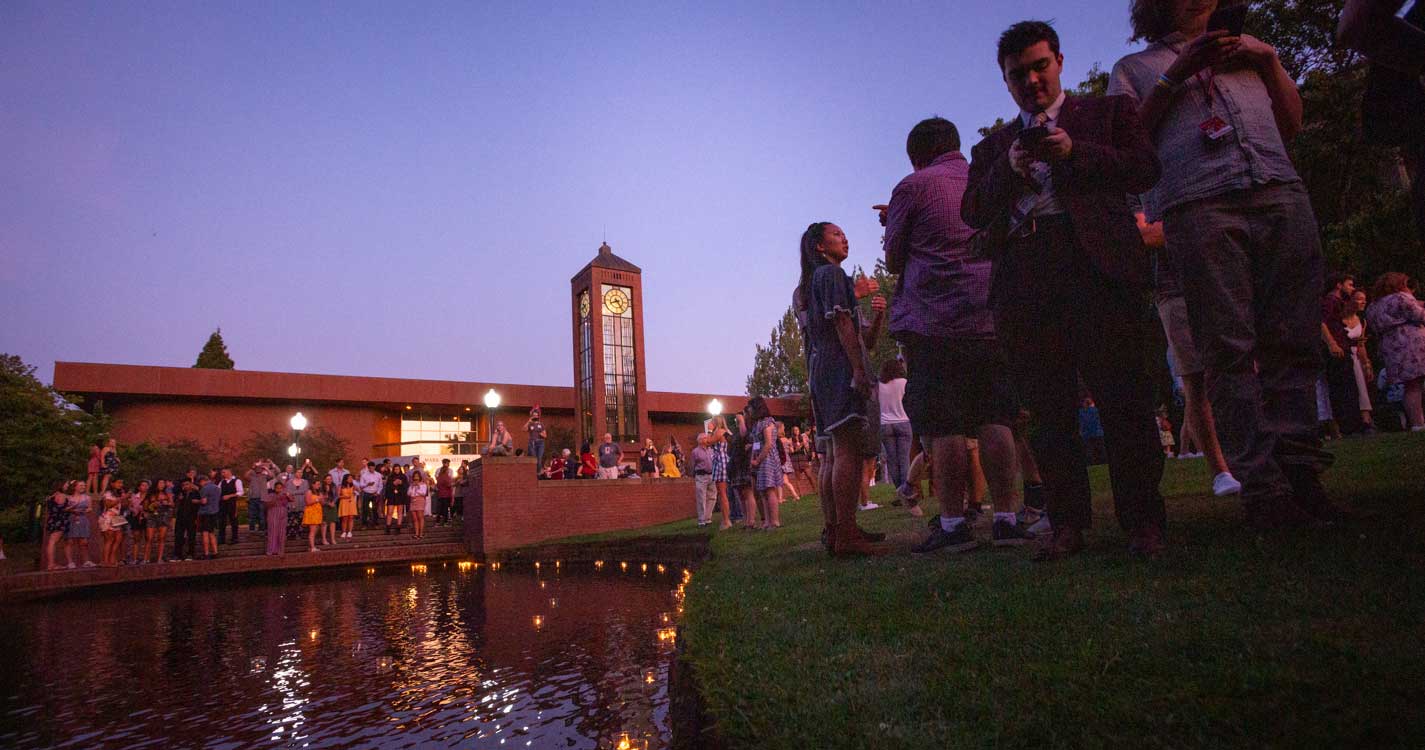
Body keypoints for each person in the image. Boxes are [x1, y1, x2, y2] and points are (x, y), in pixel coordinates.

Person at [1110, 1, 1335, 527]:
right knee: (1229, 348)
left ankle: (1303, 475)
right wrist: (1176, 75)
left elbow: (1293, 123)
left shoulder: (1250, 53)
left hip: (1277, 188)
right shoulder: (1134, 69)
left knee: (1294, 341)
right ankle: (1263, 486)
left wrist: (1270, 58)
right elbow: (1128, 146)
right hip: (1199, 204)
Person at [967, 20, 1166, 559]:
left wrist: (1075, 151)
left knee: (1124, 397)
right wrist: (1010, 170)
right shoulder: (992, 148)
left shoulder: (1106, 115)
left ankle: (1143, 521)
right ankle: (1067, 524)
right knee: (1049, 411)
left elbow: (1144, 168)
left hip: (1097, 267)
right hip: (1027, 275)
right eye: (1017, 75)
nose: (1031, 81)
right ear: (1004, 82)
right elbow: (972, 211)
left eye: (1039, 66)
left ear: (1059, 61)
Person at [1136, 202, 1242, 495]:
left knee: (1237, 367)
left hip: (1217, 279)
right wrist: (1196, 224)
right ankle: (1221, 471)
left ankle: (1248, 457)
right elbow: (1144, 234)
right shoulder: (1143, 192)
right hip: (1174, 289)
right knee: (1196, 380)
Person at [798, 222, 888, 555]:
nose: (845, 237)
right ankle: (847, 534)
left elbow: (862, 335)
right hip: (837, 370)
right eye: (836, 234)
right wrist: (859, 369)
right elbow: (841, 323)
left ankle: (840, 531)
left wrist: (876, 320)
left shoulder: (819, 281)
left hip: (825, 371)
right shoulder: (832, 276)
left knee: (839, 450)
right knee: (847, 449)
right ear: (820, 247)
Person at [1366, 272, 1425, 430]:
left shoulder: (1374, 305)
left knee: (1410, 386)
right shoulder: (1401, 298)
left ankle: (1417, 423)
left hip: (1391, 348)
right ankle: (1419, 423)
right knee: (1416, 385)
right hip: (1411, 345)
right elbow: (1420, 316)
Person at [1322, 274, 1364, 435]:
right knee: (1343, 388)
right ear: (1339, 285)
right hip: (1337, 348)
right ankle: (1348, 426)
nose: (1352, 288)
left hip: (1343, 346)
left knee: (1348, 387)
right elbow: (1322, 322)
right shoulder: (1330, 301)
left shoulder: (1339, 303)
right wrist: (1332, 343)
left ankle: (1352, 425)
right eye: (1350, 285)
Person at [748, 397, 785, 529]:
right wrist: (753, 459)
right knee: (762, 491)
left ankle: (774, 521)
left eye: (751, 407)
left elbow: (768, 444)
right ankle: (767, 521)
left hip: (768, 459)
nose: (749, 411)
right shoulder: (757, 424)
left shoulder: (767, 423)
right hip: (760, 459)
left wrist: (758, 460)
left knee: (770, 490)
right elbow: (756, 444)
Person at [1344, 288, 1377, 433]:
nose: (1363, 302)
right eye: (1359, 299)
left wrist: (1367, 364)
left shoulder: (1362, 321)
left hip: (1357, 355)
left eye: (1364, 299)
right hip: (1345, 355)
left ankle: (1366, 420)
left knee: (1362, 385)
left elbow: (1361, 344)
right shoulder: (1339, 319)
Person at [44, 481, 73, 570]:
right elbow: (63, 509)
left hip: (52, 520)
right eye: (66, 484)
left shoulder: (51, 497)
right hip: (60, 521)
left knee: (52, 541)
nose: (67, 486)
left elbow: (52, 509)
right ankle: (51, 564)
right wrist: (71, 508)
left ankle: (51, 563)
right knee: (52, 542)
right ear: (61, 485)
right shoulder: (63, 496)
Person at [689, 434, 716, 527]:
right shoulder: (695, 452)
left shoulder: (711, 450)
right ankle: (701, 520)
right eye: (705, 438)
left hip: (712, 475)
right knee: (701, 498)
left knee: (712, 497)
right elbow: (692, 464)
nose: (707, 439)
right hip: (701, 476)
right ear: (700, 440)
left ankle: (707, 517)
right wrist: (693, 475)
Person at [143, 480, 173, 564]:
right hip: (152, 515)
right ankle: (146, 558)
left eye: (163, 483)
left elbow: (172, 504)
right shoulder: (150, 494)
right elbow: (145, 507)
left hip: (164, 515)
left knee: (162, 538)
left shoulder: (167, 494)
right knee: (149, 538)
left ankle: (159, 558)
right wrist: (152, 505)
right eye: (160, 483)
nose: (162, 485)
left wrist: (167, 503)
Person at [173, 476, 199, 561]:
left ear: (191, 484)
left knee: (191, 536)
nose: (185, 486)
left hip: (192, 517)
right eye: (184, 485)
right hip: (181, 517)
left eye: (187, 484)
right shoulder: (181, 494)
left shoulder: (196, 493)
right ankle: (177, 554)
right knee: (178, 536)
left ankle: (191, 554)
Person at [196, 474, 222, 559]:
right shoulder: (217, 488)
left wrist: (197, 501)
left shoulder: (205, 488)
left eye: (200, 483)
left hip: (205, 513)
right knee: (212, 533)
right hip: (215, 512)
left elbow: (204, 501)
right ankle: (215, 552)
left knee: (205, 533)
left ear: (202, 481)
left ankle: (206, 553)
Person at [263, 481, 292, 555]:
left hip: (283, 515)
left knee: (282, 533)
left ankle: (281, 550)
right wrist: (276, 498)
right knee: (272, 532)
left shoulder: (285, 495)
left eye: (280, 488)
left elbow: (292, 500)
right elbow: (266, 505)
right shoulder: (270, 495)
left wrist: (288, 495)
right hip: (273, 514)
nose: (279, 490)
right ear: (274, 488)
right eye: (277, 488)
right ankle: (271, 550)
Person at [216, 468, 243, 546]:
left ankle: (235, 538)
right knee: (221, 521)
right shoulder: (222, 482)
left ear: (229, 472)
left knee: (233, 520)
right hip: (223, 503)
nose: (222, 474)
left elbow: (240, 492)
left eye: (223, 472)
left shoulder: (237, 481)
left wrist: (230, 496)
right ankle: (221, 538)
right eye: (222, 472)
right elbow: (218, 491)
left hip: (232, 503)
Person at [245, 461, 273, 534]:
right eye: (257, 468)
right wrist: (252, 468)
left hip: (262, 499)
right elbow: (245, 476)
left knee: (261, 515)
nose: (258, 469)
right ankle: (252, 530)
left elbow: (271, 476)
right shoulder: (252, 476)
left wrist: (265, 468)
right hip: (252, 498)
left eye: (260, 468)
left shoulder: (264, 476)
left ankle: (261, 530)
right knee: (251, 516)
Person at [98, 494, 125, 567]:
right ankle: (105, 561)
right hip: (108, 517)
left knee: (118, 539)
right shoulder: (108, 494)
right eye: (118, 482)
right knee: (109, 540)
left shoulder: (120, 493)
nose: (120, 485)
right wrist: (121, 498)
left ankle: (112, 557)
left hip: (117, 517)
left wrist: (126, 499)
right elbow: (108, 505)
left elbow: (124, 506)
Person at [357, 460, 383, 530]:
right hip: (366, 493)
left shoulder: (378, 475)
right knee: (365, 509)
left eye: (373, 468)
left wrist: (377, 492)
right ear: (368, 468)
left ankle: (375, 523)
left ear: (374, 467)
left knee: (375, 509)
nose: (372, 469)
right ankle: (364, 524)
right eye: (370, 468)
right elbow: (361, 485)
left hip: (375, 493)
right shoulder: (364, 475)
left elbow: (380, 485)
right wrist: (367, 484)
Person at [383, 465, 408, 533]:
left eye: (398, 469)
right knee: (389, 512)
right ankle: (388, 527)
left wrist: (401, 483)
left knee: (400, 512)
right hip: (391, 496)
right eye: (395, 469)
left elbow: (406, 486)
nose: (397, 470)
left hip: (400, 496)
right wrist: (393, 483)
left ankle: (398, 527)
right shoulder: (390, 477)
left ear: (400, 469)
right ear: (393, 470)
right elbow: (387, 487)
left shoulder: (403, 477)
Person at [303, 481, 325, 552]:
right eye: (317, 484)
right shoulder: (309, 492)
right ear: (313, 484)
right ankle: (312, 547)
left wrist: (322, 499)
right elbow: (308, 502)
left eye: (319, 484)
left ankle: (311, 545)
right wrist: (317, 499)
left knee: (316, 528)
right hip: (311, 512)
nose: (319, 485)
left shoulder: (319, 492)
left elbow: (322, 503)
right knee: (312, 530)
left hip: (318, 512)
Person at [524, 408, 547, 474]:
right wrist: (529, 421)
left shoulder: (541, 424)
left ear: (538, 416)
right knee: (534, 458)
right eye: (533, 415)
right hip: (532, 443)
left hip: (540, 443)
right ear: (532, 416)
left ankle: (538, 473)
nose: (535, 416)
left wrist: (540, 433)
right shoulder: (530, 424)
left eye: (536, 415)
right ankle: (533, 473)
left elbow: (545, 436)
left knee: (539, 459)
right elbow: (523, 429)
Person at [408, 470, 430, 540]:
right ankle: (416, 533)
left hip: (420, 500)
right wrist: (412, 487)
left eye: (417, 476)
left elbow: (424, 493)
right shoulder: (411, 485)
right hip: (413, 501)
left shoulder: (423, 484)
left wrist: (418, 486)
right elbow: (408, 493)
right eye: (414, 476)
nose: (416, 478)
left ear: (420, 477)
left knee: (420, 517)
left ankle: (421, 533)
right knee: (415, 518)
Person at [319, 474, 339, 545]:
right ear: (324, 480)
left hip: (333, 505)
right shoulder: (321, 487)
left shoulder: (334, 486)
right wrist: (327, 491)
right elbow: (321, 498)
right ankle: (324, 539)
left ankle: (332, 539)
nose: (329, 480)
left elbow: (337, 495)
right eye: (327, 479)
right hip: (325, 506)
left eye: (330, 479)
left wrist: (333, 502)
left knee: (332, 522)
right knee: (324, 523)